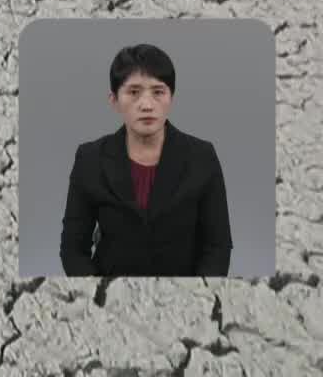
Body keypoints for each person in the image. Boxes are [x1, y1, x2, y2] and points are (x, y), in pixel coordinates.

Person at [60, 44, 232, 277]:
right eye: (133, 92)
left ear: (171, 97)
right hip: (110, 299)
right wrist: (98, 297)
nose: (147, 104)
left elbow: (218, 247)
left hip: (183, 300)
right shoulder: (90, 159)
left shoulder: (202, 156)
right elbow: (73, 250)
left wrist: (197, 297)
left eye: (158, 92)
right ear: (114, 100)